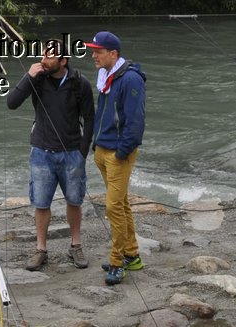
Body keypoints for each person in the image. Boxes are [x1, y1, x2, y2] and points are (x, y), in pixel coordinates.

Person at [4, 38, 94, 271]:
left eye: (49, 56)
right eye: (43, 54)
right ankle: (41, 250)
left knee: (74, 201)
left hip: (72, 152)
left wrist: (82, 153)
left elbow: (90, 119)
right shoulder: (37, 80)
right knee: (41, 203)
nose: (44, 60)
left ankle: (75, 245)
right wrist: (28, 76)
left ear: (63, 61)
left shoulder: (79, 83)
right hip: (41, 152)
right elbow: (11, 103)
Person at [86, 31, 146, 286]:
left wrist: (122, 152)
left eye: (98, 51)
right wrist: (95, 145)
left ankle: (116, 261)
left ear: (113, 54)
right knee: (120, 205)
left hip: (118, 154)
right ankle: (132, 255)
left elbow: (136, 121)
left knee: (112, 208)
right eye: (93, 50)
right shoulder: (106, 76)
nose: (93, 55)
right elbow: (105, 115)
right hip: (102, 149)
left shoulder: (131, 79)